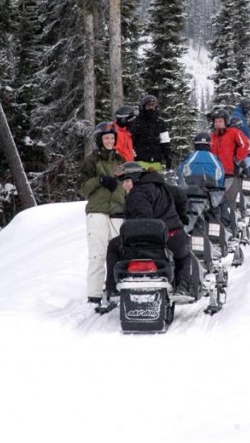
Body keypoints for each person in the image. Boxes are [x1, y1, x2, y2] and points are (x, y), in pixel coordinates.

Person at [105, 162, 197, 298]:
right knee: (183, 256)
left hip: (152, 240)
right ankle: (182, 287)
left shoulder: (137, 194)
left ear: (136, 178)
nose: (124, 186)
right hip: (174, 235)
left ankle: (112, 289)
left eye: (127, 181)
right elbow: (181, 196)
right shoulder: (162, 186)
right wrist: (181, 217)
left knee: (113, 246)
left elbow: (143, 222)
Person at [78, 122, 127, 304]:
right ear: (100, 139)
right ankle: (95, 293)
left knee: (118, 252)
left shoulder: (121, 160)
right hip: (97, 210)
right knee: (98, 253)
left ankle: (117, 288)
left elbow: (127, 184)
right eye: (106, 138)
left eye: (112, 138)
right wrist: (99, 180)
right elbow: (82, 188)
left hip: (117, 212)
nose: (109, 141)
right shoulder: (91, 160)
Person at [210, 108, 250, 220]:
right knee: (214, 201)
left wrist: (237, 159)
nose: (217, 124)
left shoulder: (233, 132)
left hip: (230, 173)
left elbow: (246, 145)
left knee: (229, 200)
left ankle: (233, 226)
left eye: (220, 121)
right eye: (216, 121)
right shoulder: (212, 136)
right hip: (214, 175)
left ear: (226, 121)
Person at [131, 94, 172, 171]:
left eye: (153, 106)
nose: (151, 108)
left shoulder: (160, 122)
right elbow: (130, 141)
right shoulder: (136, 122)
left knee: (157, 182)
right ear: (143, 106)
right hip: (139, 161)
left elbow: (165, 142)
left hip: (156, 161)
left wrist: (168, 157)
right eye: (148, 105)